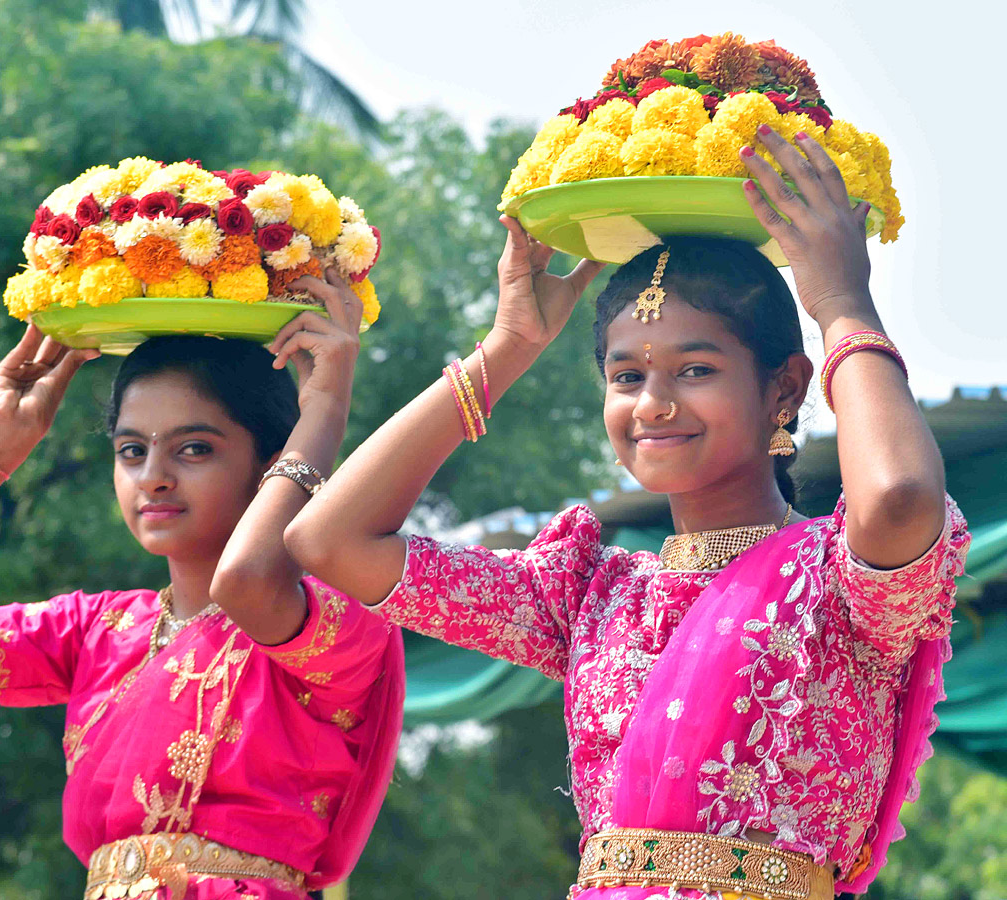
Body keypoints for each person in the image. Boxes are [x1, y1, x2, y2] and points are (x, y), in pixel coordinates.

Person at [283, 128, 968, 899]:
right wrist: (507, 346)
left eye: (696, 369)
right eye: (626, 374)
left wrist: (841, 301)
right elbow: (327, 538)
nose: (654, 403)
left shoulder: (845, 583)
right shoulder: (587, 594)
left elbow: (900, 495)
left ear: (783, 388)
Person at [0, 273, 403, 900]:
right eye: (130, 450)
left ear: (269, 462)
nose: (153, 477)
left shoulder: (338, 623)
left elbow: (249, 581)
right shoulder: (95, 631)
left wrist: (327, 412)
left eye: (193, 448)